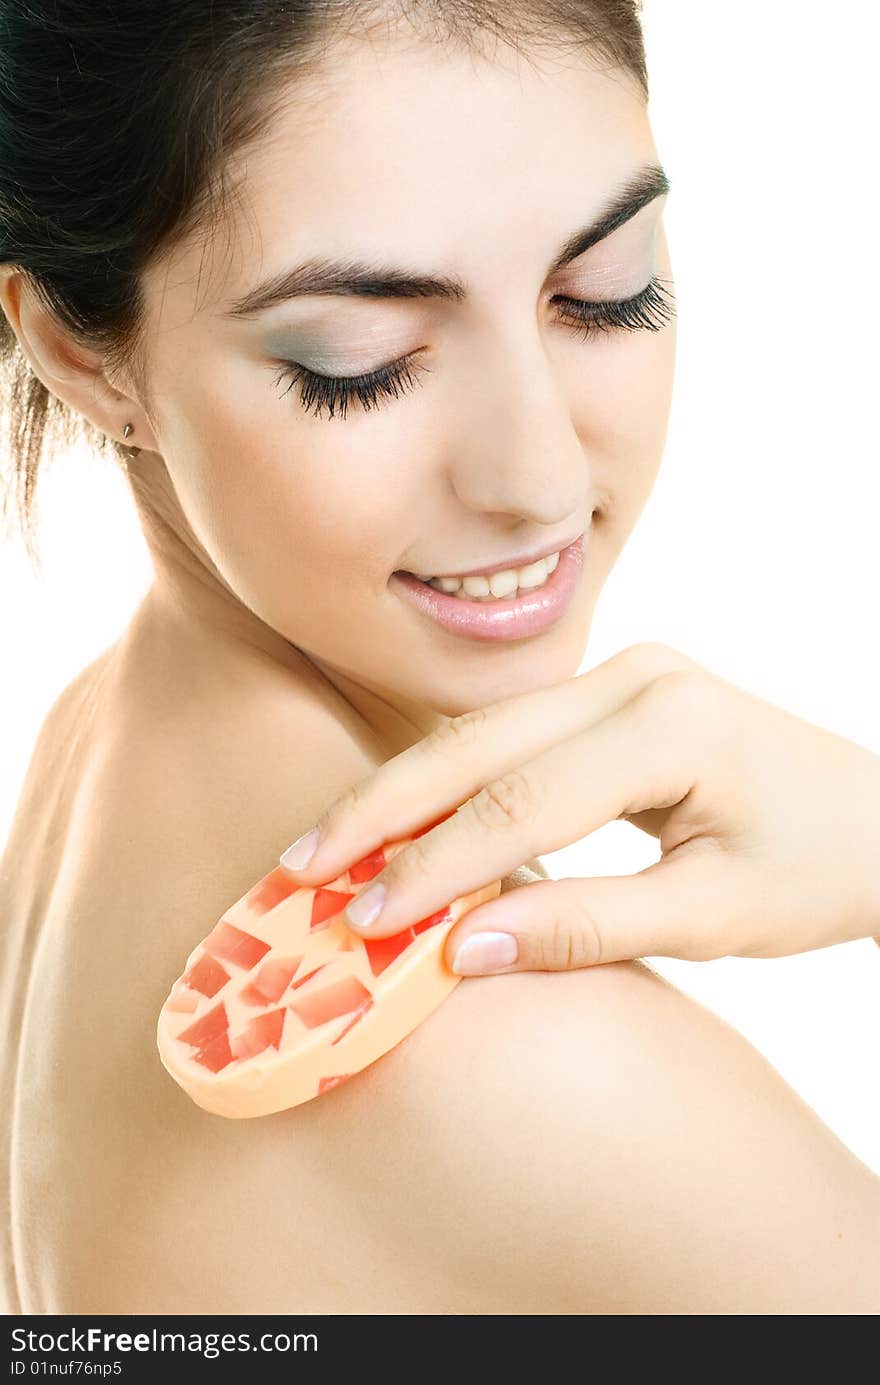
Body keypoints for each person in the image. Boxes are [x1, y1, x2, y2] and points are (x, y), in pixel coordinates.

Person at [1, 1, 878, 1316]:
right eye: (361, 365)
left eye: (606, 290)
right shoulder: (506, 1058)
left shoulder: (114, 734)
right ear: (80, 349)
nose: (536, 477)